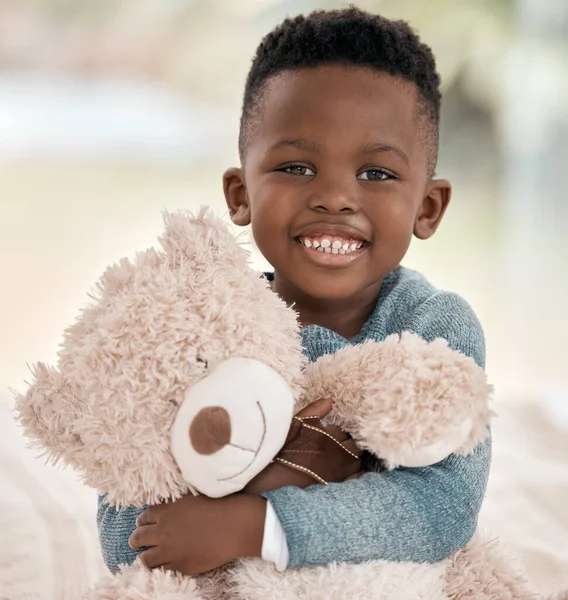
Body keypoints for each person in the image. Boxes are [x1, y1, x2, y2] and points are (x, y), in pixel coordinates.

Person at [97, 6, 491, 577]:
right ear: (240, 194)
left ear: (427, 208)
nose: (334, 196)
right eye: (297, 167)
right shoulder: (193, 330)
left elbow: (442, 510)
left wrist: (256, 522)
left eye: (376, 173)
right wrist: (290, 471)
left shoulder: (435, 329)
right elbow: (124, 539)